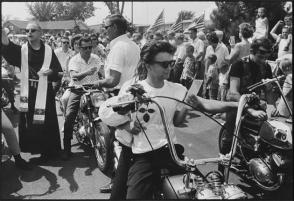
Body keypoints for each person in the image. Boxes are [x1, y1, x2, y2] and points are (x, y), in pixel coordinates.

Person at [102, 41, 239, 199]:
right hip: (143, 154)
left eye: (171, 63)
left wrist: (239, 104)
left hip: (171, 152)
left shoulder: (176, 89)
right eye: (164, 64)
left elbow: (206, 103)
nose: (169, 68)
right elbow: (105, 110)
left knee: (205, 192)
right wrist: (126, 123)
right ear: (147, 65)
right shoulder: (134, 89)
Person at [92, 14, 141, 194]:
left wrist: (98, 83)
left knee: (115, 140)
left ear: (113, 28)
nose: (103, 31)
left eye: (105, 27)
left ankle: (116, 180)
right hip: (133, 95)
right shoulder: (133, 44)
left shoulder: (118, 47)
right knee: (129, 140)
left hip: (118, 97)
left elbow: (112, 80)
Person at [1, 22, 63, 162]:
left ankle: (50, 151)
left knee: (47, 122)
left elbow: (58, 71)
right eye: (27, 30)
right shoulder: (22, 49)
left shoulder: (48, 50)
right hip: (29, 92)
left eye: (33, 30)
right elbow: (7, 47)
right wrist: (2, 32)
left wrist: (51, 71)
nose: (29, 32)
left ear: (40, 32)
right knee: (33, 122)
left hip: (45, 92)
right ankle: (39, 150)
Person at [220, 38, 273, 156]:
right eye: (261, 56)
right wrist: (250, 110)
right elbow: (233, 93)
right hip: (235, 104)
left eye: (266, 57)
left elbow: (269, 92)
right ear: (252, 51)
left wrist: (271, 106)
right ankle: (222, 166)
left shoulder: (266, 67)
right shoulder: (238, 65)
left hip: (255, 102)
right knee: (230, 135)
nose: (263, 60)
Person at [62, 36, 103, 160]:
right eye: (85, 48)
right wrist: (87, 72)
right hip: (78, 89)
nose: (88, 50)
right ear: (79, 48)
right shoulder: (74, 60)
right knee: (70, 116)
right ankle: (67, 147)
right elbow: (74, 77)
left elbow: (102, 72)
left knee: (107, 110)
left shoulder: (96, 58)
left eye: (90, 47)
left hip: (94, 89)